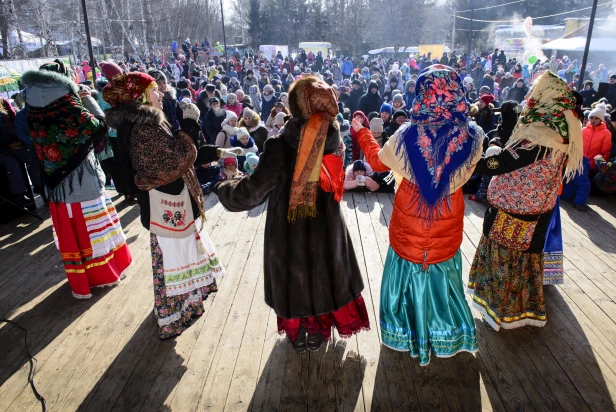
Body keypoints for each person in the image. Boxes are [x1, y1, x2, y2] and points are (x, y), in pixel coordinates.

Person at [214, 76, 369, 352]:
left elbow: (251, 193)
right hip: (325, 231)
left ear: (296, 107)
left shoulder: (280, 146)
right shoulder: (334, 139)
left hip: (288, 233)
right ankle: (320, 331)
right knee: (324, 277)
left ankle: (297, 334)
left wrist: (223, 187)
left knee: (292, 280)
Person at [354, 65, 483, 365]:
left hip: (409, 224)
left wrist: (362, 132)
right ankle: (448, 333)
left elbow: (377, 161)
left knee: (405, 274)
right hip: (448, 221)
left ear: (422, 94)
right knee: (445, 278)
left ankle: (407, 332)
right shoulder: (474, 136)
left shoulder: (405, 135)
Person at [101, 61, 237, 339]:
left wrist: (216, 153)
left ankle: (185, 307)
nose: (160, 93)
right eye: (153, 90)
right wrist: (189, 123)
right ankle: (172, 316)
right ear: (139, 97)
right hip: (167, 204)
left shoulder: (147, 123)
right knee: (172, 263)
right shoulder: (143, 130)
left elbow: (176, 152)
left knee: (178, 259)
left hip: (170, 202)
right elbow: (176, 160)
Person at [468, 71, 583, 331]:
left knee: (504, 263)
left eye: (534, 94)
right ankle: (523, 310)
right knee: (525, 260)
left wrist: (471, 163)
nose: (529, 99)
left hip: (513, 213)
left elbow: (502, 163)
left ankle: (500, 313)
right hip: (539, 212)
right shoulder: (562, 129)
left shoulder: (538, 136)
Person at [22, 59, 133, 299]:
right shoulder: (69, 101)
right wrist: (86, 97)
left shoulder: (30, 103)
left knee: (74, 234)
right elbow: (100, 126)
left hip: (55, 184)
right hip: (82, 180)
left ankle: (81, 279)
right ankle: (102, 275)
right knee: (93, 231)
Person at [583, 103, 612, 172]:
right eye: (591, 117)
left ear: (601, 120)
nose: (593, 120)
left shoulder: (606, 133)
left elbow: (606, 151)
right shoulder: (584, 130)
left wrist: (600, 166)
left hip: (594, 165)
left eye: (596, 118)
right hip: (581, 163)